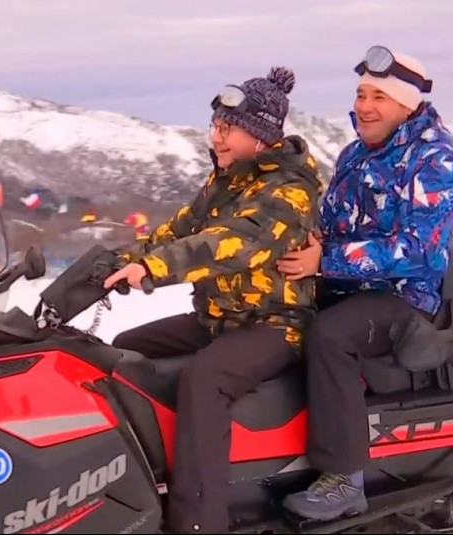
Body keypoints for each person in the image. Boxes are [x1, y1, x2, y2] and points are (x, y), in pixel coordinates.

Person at [104, 66, 324, 533]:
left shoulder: (289, 193)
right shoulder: (226, 181)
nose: (217, 137)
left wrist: (154, 269)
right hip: (218, 317)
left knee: (205, 380)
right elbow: (179, 230)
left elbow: (234, 244)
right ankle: (139, 480)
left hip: (275, 325)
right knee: (123, 351)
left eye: (228, 128)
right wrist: (115, 261)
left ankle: (199, 520)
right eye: (215, 125)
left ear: (260, 136)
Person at [277, 46, 453, 522]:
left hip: (405, 297)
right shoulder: (355, 155)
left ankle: (345, 479)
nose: (364, 106)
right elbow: (331, 225)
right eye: (361, 94)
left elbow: (419, 251)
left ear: (406, 105)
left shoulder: (434, 163)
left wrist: (328, 260)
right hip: (349, 285)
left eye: (378, 97)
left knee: (331, 335)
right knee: (275, 311)